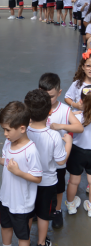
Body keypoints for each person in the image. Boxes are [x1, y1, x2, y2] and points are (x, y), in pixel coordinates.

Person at [0, 101, 42, 246]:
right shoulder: (8, 142)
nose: (5, 134)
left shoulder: (30, 150)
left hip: (22, 204)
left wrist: (18, 172)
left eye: (7, 130)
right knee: (5, 227)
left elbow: (37, 178)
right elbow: (8, 163)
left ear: (22, 128)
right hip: (6, 198)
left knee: (23, 236)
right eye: (3, 130)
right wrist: (0, 160)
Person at [25, 89, 72, 246]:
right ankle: (41, 242)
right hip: (47, 183)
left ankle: (24, 241)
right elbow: (60, 161)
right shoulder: (54, 136)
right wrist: (69, 144)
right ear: (50, 112)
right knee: (44, 216)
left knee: (28, 215)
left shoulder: (23, 132)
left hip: (28, 181)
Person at [39, 73, 84, 229]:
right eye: (43, 95)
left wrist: (61, 126)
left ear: (59, 93)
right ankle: (37, 210)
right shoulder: (37, 108)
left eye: (50, 96)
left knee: (58, 187)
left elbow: (78, 127)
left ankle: (57, 211)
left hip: (59, 160)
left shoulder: (64, 110)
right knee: (37, 185)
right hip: (39, 158)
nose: (46, 100)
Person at [65, 86, 91, 217]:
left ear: (80, 101)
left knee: (74, 180)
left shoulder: (78, 118)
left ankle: (70, 205)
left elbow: (65, 120)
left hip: (77, 151)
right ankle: (90, 207)